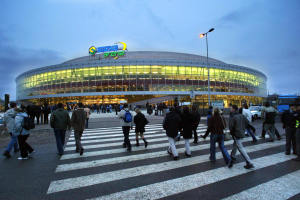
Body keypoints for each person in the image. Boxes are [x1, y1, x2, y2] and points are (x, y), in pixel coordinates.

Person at [228, 105, 254, 169]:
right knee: (235, 145)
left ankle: (249, 162)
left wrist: (232, 133)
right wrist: (251, 128)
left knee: (241, 148)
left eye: (231, 108)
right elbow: (247, 123)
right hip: (241, 133)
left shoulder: (233, 116)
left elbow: (231, 127)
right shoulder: (241, 115)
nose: (230, 109)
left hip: (236, 134)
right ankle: (232, 156)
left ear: (234, 109)